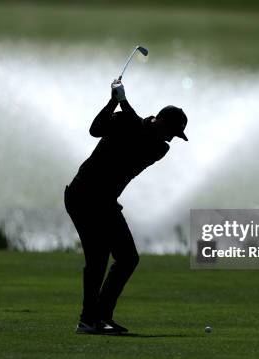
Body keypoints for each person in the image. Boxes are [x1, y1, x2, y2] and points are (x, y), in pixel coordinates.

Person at [64, 79, 188, 335]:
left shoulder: (158, 148)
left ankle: (97, 318)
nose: (171, 139)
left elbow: (141, 133)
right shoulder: (124, 120)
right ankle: (91, 320)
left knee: (126, 258)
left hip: (103, 201)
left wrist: (122, 101)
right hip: (83, 196)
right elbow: (95, 129)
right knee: (100, 259)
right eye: (172, 132)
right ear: (161, 122)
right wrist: (113, 102)